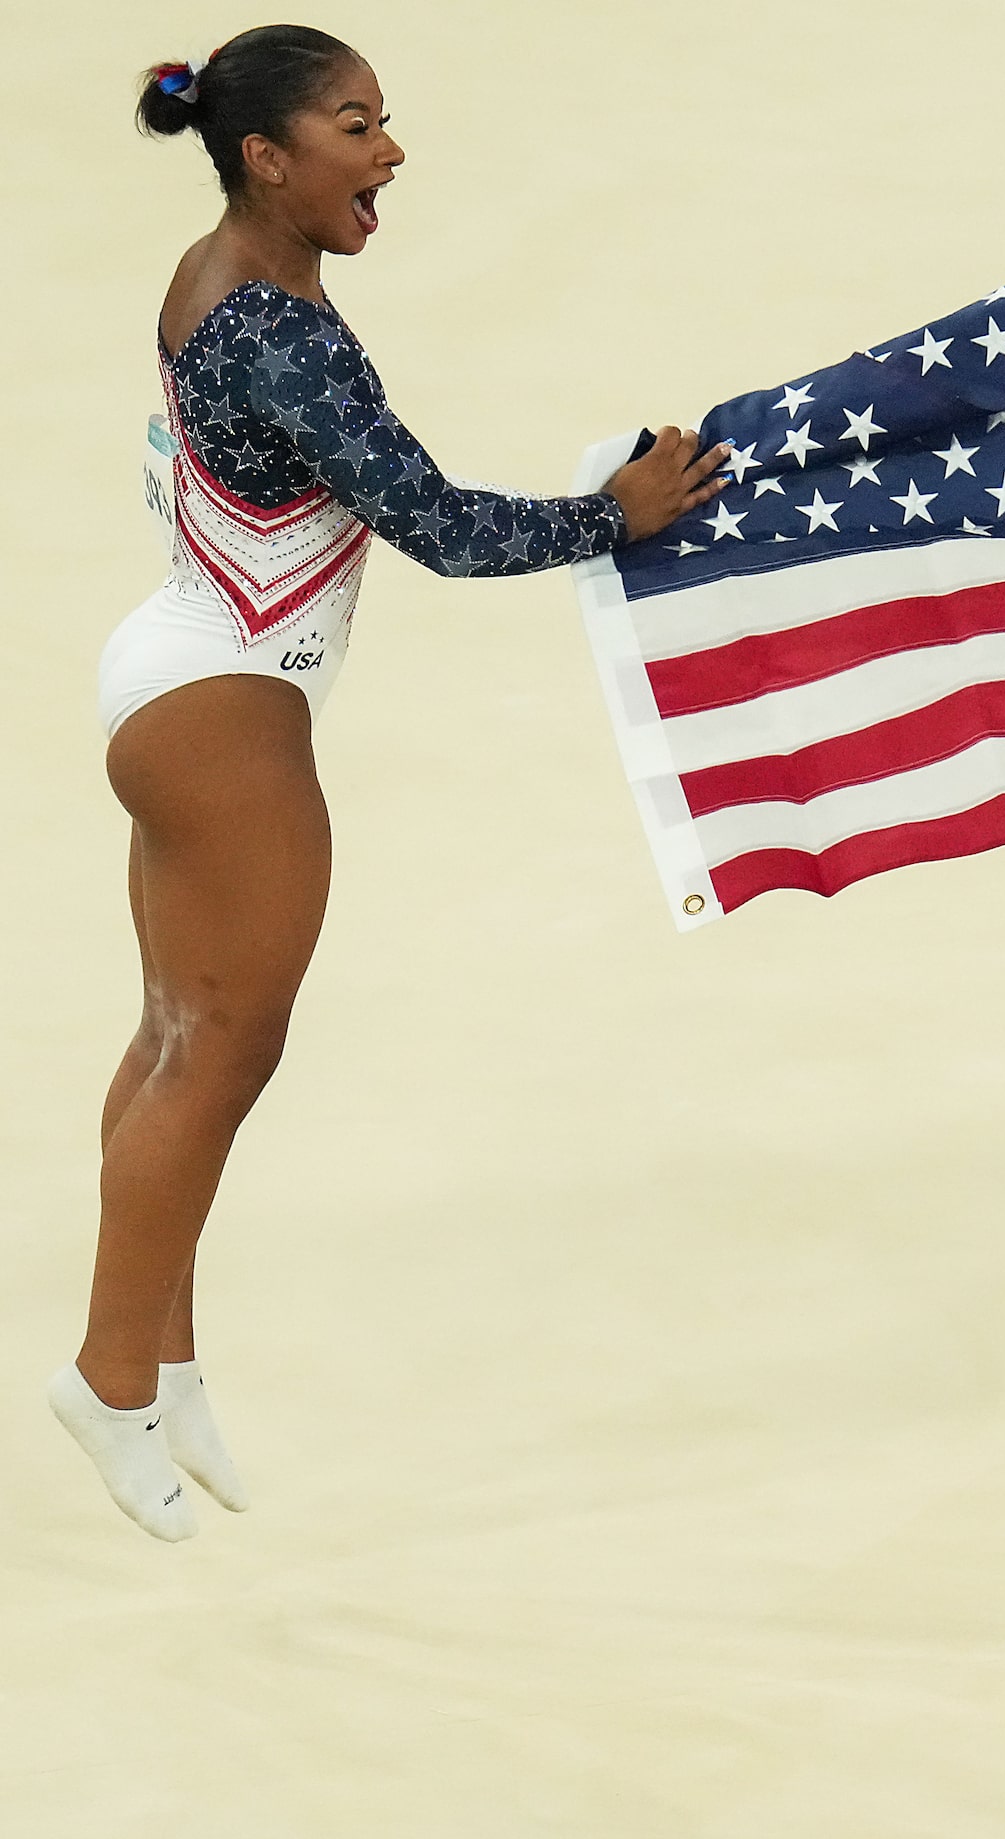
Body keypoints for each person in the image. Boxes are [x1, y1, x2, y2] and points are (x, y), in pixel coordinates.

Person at [52, 26, 727, 1542]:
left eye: (387, 120)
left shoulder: (237, 269)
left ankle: (160, 1355)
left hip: (184, 661)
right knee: (220, 1047)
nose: (391, 153)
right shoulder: (273, 335)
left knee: (185, 1035)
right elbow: (441, 524)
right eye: (357, 128)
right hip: (224, 698)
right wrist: (611, 517)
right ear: (267, 158)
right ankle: (105, 1379)